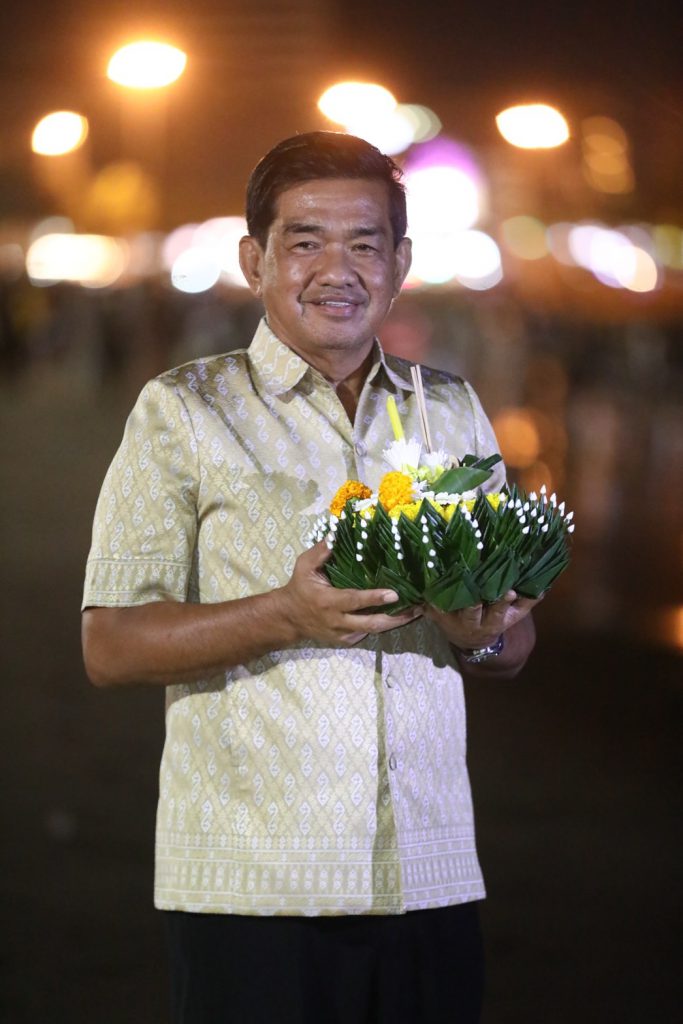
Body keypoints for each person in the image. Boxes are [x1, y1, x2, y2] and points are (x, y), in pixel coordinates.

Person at [82, 131, 540, 1024]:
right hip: (252, 890)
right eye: (305, 242)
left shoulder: (449, 410)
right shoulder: (185, 410)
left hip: (429, 876)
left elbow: (512, 645)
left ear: (399, 264)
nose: (338, 270)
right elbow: (109, 645)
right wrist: (287, 614)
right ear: (255, 260)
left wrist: (475, 633)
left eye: (365, 244)